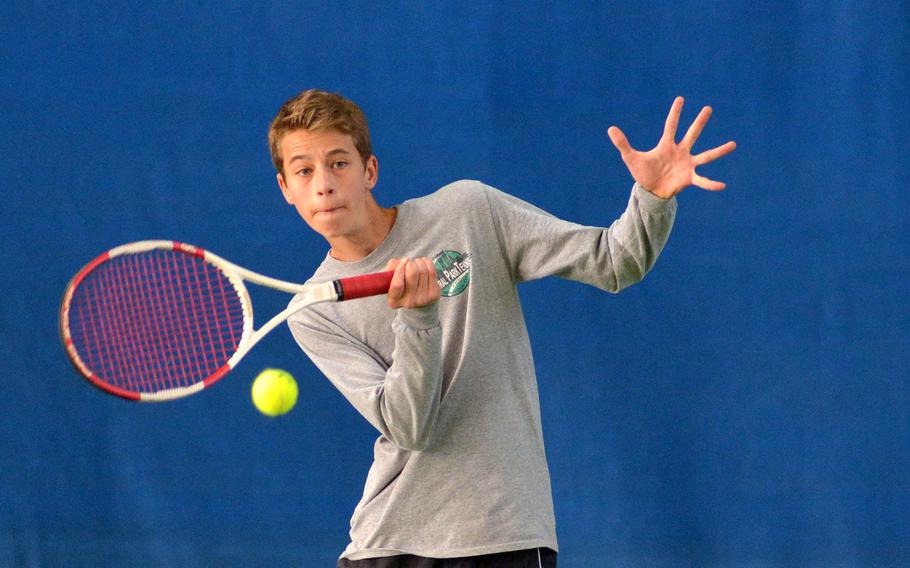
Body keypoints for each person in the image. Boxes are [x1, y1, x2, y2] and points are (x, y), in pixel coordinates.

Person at [268, 89, 736, 567]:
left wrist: (652, 198)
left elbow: (615, 262)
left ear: (370, 171)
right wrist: (418, 318)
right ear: (286, 188)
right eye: (304, 170)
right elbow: (409, 426)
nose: (323, 184)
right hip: (387, 544)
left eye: (339, 163)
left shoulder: (468, 210)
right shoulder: (313, 310)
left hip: (504, 534)